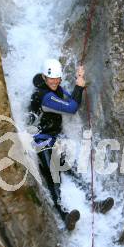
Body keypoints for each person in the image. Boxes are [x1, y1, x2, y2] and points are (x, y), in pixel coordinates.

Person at [28, 59, 114, 230]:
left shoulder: (55, 88)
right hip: (40, 141)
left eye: (57, 78)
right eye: (51, 79)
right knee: (54, 178)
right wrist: (79, 87)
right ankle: (65, 215)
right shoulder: (43, 96)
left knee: (72, 172)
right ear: (44, 77)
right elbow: (71, 108)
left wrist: (79, 80)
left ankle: (94, 203)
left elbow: (71, 99)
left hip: (53, 140)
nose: (55, 81)